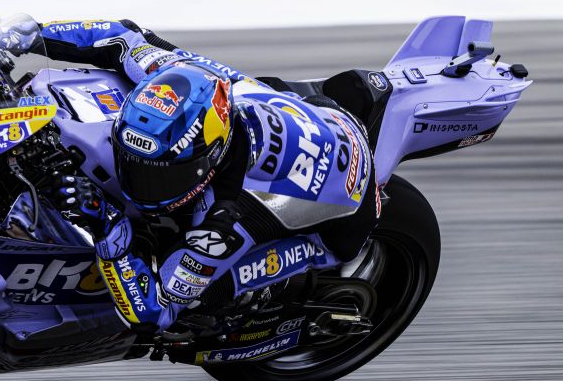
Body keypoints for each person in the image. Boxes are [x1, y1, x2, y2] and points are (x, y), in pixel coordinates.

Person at [32, 18, 380, 332]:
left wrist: (108, 226)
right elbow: (121, 36)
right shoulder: (179, 76)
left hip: (343, 216)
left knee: (202, 298)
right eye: (133, 164)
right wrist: (28, 34)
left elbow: (153, 313)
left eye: (161, 176)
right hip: (308, 115)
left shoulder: (224, 223)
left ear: (209, 160)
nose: (139, 182)